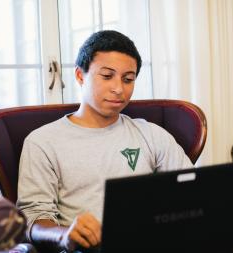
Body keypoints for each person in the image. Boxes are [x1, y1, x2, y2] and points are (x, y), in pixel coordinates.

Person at [17, 30, 193, 252]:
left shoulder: (151, 134)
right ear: (80, 75)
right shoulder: (42, 141)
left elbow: (193, 192)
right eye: (107, 76)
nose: (119, 88)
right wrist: (65, 235)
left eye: (128, 79)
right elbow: (32, 219)